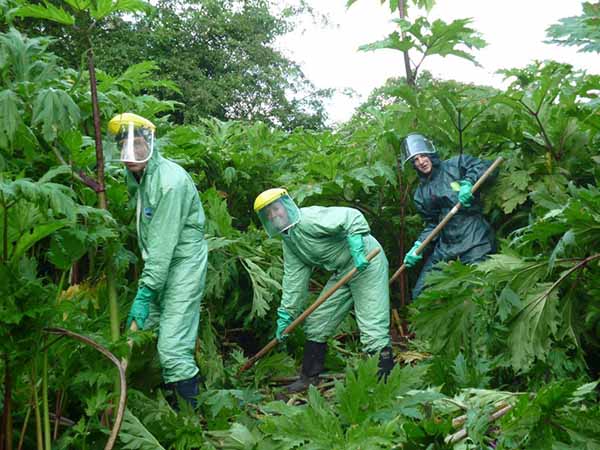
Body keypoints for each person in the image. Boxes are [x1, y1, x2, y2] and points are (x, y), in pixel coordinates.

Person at [107, 113, 208, 409]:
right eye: (124, 148)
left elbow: (163, 245)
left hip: (182, 265)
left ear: (150, 144)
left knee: (172, 345)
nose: (131, 155)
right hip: (160, 266)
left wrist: (147, 290)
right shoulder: (140, 178)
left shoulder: (169, 182)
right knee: (146, 329)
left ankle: (188, 420)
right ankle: (160, 397)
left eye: (137, 146)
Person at [253, 188, 394, 393]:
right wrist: (286, 315)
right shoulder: (290, 242)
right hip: (342, 272)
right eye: (269, 214)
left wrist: (356, 246)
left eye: (276, 209)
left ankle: (386, 383)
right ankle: (309, 378)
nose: (275, 215)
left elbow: (351, 216)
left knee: (373, 329)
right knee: (317, 322)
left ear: (286, 206)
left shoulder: (309, 219)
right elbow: (294, 281)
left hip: (366, 262)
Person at [401, 133, 496, 299]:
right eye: (415, 160)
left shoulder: (455, 165)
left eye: (422, 156)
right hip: (446, 245)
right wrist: (418, 246)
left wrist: (468, 183)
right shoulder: (421, 193)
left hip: (474, 238)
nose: (421, 162)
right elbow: (432, 224)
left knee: (480, 289)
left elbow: (486, 167)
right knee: (421, 293)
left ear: (430, 154)